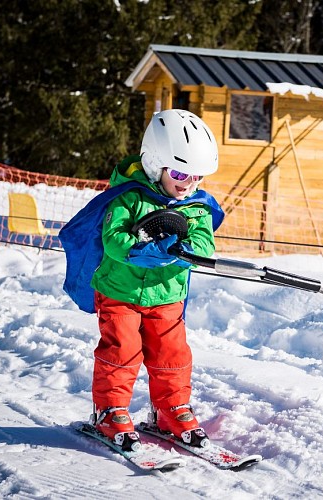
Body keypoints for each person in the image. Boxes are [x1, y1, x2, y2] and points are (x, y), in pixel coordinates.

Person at [86, 109, 224, 451]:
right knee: (122, 350)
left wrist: (185, 247)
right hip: (120, 290)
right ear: (154, 163)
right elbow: (113, 239)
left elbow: (205, 244)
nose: (188, 183)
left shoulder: (196, 206)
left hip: (167, 296)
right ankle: (110, 411)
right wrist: (140, 249)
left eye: (196, 176)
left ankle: (171, 411)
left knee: (171, 353)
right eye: (179, 172)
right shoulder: (129, 196)